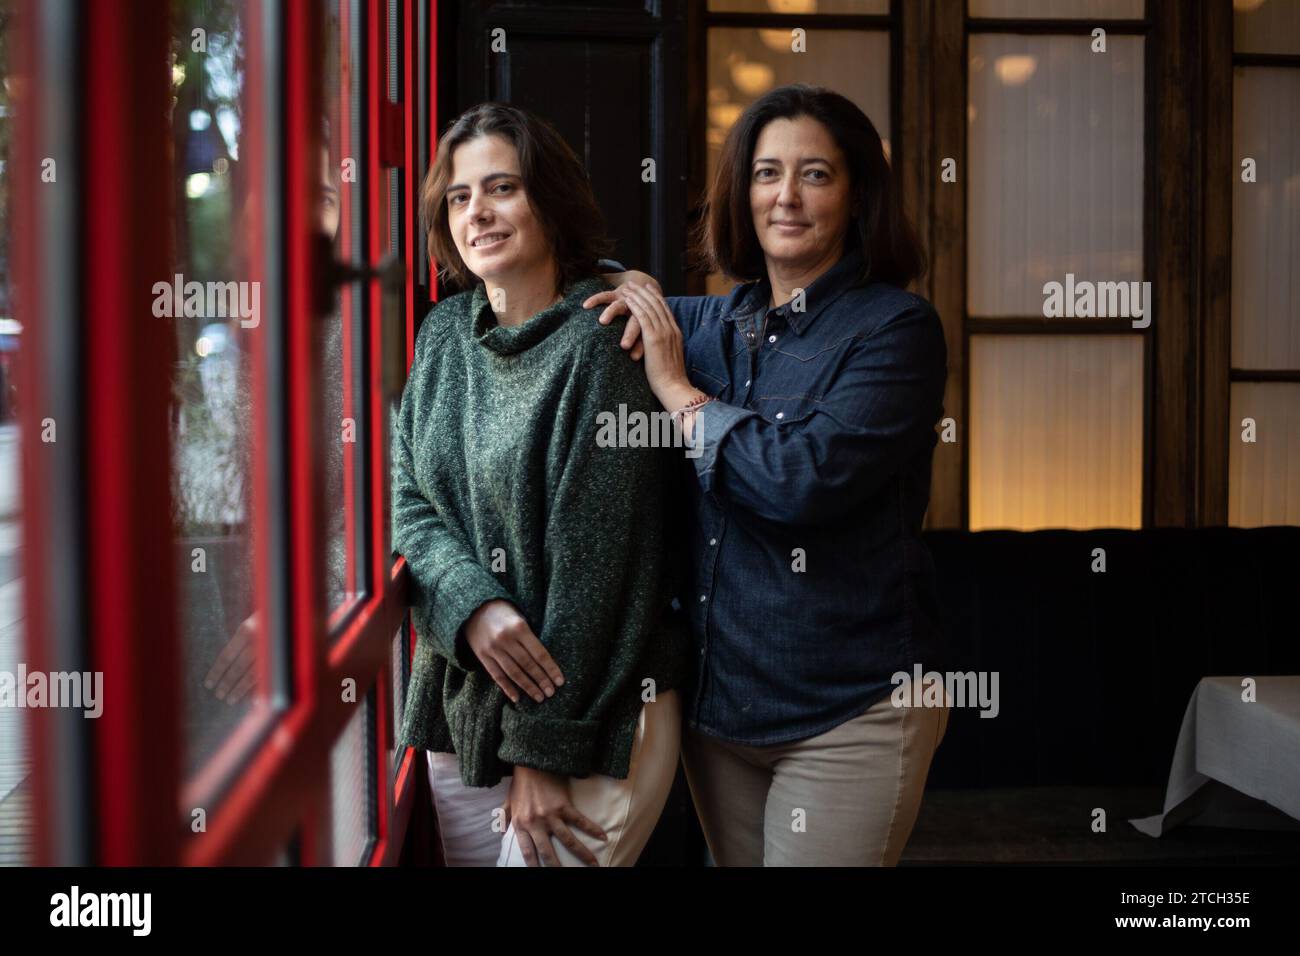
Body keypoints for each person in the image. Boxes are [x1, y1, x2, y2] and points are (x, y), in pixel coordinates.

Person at [586, 84, 952, 866]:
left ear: (857, 197)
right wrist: (630, 280)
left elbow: (799, 482)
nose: (785, 196)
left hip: (851, 711)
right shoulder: (712, 322)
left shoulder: (895, 330)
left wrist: (679, 393)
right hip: (719, 718)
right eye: (765, 173)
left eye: (815, 174)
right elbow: (588, 298)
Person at [393, 103, 689, 867]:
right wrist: (470, 604)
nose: (478, 213)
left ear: (549, 201)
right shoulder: (444, 332)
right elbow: (405, 498)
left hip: (590, 715)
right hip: (462, 701)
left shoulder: (601, 345)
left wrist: (540, 752)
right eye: (459, 198)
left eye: (503, 189)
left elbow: (599, 572)